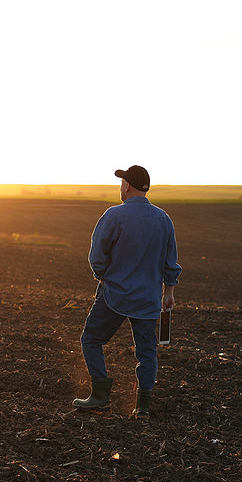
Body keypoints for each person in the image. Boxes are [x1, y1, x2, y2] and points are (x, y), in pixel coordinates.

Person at [72, 165, 182, 418]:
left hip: (115, 295)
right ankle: (142, 406)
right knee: (147, 352)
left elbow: (97, 257)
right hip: (148, 299)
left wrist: (103, 276)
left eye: (122, 181)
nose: (120, 185)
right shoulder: (163, 219)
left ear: (127, 185)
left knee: (91, 340)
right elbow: (170, 262)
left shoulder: (113, 216)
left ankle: (100, 396)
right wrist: (169, 291)